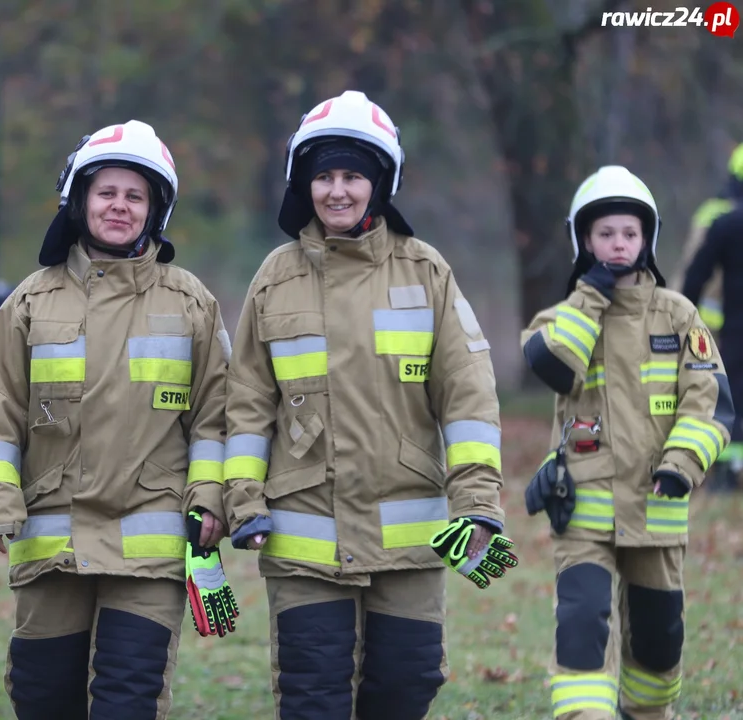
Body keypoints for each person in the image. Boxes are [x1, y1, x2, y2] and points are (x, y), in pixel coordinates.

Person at [222, 90, 519, 720]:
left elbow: (468, 396)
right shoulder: (274, 279)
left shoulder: (426, 273)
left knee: (406, 689)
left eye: (352, 175)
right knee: (313, 699)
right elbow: (245, 403)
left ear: (380, 183)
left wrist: (477, 502)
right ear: (304, 185)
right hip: (304, 545)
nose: (336, 191)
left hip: (411, 544)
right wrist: (243, 498)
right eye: (323, 176)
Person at [0, 119, 237, 720]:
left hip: (151, 544)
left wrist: (211, 498)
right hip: (50, 542)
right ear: (79, 200)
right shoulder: (31, 302)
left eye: (135, 195)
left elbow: (217, 417)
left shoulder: (190, 303)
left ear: (155, 210)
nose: (119, 206)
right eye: (107, 192)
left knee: (128, 700)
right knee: (42, 699)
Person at [521, 165, 735, 720]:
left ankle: (646, 712)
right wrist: (590, 297)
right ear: (584, 241)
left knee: (658, 645)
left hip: (658, 508)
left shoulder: (678, 313)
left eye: (630, 234)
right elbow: (554, 367)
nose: (619, 244)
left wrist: (681, 465)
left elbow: (710, 404)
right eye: (605, 234)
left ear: (647, 240)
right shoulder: (560, 318)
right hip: (584, 510)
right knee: (581, 623)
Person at [681, 142, 743, 490]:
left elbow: (695, 275)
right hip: (726, 327)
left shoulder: (722, 222)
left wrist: (681, 317)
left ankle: (724, 475)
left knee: (729, 396)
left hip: (731, 329)